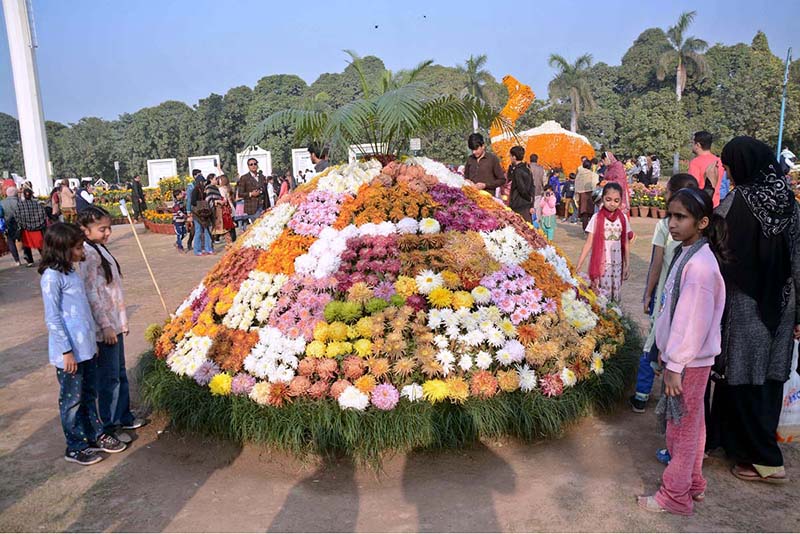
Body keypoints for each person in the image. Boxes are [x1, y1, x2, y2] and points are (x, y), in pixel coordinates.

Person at [706, 136, 800, 484]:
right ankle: (736, 445)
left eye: (729, 166)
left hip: (746, 304)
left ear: (742, 166)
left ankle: (766, 460)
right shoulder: (790, 202)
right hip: (782, 304)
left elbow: (713, 238)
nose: (728, 173)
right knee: (769, 378)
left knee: (742, 376)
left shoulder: (737, 200)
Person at [637, 187, 727, 516]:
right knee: (693, 422)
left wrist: (675, 364)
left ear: (702, 222)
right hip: (687, 360)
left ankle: (675, 494)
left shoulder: (700, 266)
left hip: (688, 362)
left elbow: (691, 323)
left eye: (681, 217)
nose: (672, 223)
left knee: (682, 428)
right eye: (669, 216)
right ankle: (693, 483)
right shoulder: (688, 252)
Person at [39, 223, 127, 465]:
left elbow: (83, 314)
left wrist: (91, 343)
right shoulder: (51, 278)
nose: (82, 251)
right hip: (69, 355)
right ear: (62, 249)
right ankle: (75, 446)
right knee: (72, 400)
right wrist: (66, 351)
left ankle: (95, 434)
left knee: (89, 394)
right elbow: (53, 318)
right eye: (78, 248)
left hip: (86, 349)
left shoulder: (71, 273)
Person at [631, 174, 700, 414]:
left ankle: (642, 393)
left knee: (654, 343)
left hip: (665, 300)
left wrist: (648, 294)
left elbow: (656, 263)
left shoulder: (664, 225)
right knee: (675, 347)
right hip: (682, 303)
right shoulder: (699, 230)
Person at [77, 206, 146, 443]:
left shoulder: (99, 249)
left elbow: (112, 290)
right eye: (101, 229)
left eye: (109, 228)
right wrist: (105, 325)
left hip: (114, 323)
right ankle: (109, 423)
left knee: (119, 373)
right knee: (109, 379)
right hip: (105, 328)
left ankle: (123, 414)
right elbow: (92, 294)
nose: (107, 233)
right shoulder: (87, 253)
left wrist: (120, 322)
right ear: (85, 231)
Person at [576, 182, 631, 302]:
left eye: (616, 201)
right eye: (608, 199)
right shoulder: (596, 218)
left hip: (617, 265)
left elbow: (626, 243)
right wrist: (580, 263)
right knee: (601, 297)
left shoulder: (623, 219)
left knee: (615, 296)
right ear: (603, 199)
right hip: (601, 264)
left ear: (621, 201)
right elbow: (589, 243)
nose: (612, 203)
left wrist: (627, 264)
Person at [688, 131, 723, 207]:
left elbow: (693, 186)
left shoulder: (695, 162)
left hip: (701, 204)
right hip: (716, 204)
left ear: (698, 145)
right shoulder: (719, 161)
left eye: (693, 143)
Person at [17, 188, 47, 267]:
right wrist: (39, 223)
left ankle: (30, 261)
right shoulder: (37, 204)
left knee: (26, 244)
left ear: (24, 195)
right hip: (37, 228)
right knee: (40, 244)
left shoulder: (20, 205)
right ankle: (45, 258)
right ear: (31, 195)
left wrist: (22, 224)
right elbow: (43, 215)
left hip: (26, 228)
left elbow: (17, 216)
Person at [507, 146, 534, 223]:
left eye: (510, 156)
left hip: (519, 205)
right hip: (526, 205)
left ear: (514, 157)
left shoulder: (517, 171)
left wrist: (528, 198)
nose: (510, 158)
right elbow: (532, 186)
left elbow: (521, 188)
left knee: (520, 228)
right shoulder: (527, 169)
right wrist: (531, 201)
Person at [190, 173, 213, 256]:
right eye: (203, 182)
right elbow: (192, 202)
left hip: (204, 213)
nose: (204, 183)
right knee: (198, 231)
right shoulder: (195, 190)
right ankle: (197, 250)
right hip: (198, 214)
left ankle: (208, 248)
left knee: (206, 231)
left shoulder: (203, 190)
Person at [575, 158, 599, 230]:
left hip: (581, 195)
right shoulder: (593, 175)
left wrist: (577, 196)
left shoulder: (579, 175)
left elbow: (576, 186)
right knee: (592, 212)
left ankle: (585, 228)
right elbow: (595, 185)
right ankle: (591, 228)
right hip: (590, 194)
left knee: (584, 213)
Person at [1, 187, 21, 266]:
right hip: (20, 223)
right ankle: (29, 258)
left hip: (8, 224)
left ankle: (17, 260)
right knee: (24, 239)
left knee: (10, 241)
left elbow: (1, 214)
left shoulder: (2, 203)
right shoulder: (20, 201)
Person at [217, 175, 237, 243]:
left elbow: (224, 200)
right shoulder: (228, 188)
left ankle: (230, 242)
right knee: (232, 226)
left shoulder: (221, 189)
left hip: (226, 209)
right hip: (231, 208)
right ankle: (234, 240)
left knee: (227, 227)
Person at [528, 154, 546, 222]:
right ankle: (536, 221)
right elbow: (544, 181)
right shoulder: (541, 168)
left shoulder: (527, 167)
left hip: (528, 191)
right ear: (537, 159)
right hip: (538, 190)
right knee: (537, 207)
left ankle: (529, 220)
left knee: (529, 206)